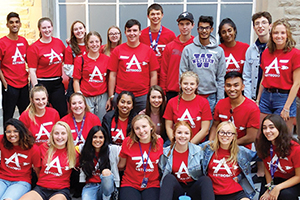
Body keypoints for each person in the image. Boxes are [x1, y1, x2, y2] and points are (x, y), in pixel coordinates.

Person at [256, 19, 300, 133]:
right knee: (262, 134)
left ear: (287, 35)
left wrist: (287, 107)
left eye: (282, 33)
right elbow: (264, 78)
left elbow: (297, 83)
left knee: (283, 137)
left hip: (284, 98)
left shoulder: (295, 54)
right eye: (275, 33)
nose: (279, 36)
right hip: (266, 96)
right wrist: (258, 100)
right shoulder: (266, 53)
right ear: (271, 35)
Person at [107, 19, 159, 114]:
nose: (132, 33)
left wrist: (151, 94)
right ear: (125, 33)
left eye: (135, 30)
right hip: (122, 95)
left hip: (142, 96)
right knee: (122, 124)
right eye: (129, 31)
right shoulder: (117, 51)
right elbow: (112, 74)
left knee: (142, 124)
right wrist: (111, 96)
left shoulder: (148, 51)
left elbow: (153, 75)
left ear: (140, 33)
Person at [180, 15, 226, 113]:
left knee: (209, 126)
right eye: (201, 28)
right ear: (197, 29)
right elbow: (182, 74)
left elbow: (221, 77)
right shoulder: (188, 50)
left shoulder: (219, 51)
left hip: (211, 97)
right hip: (192, 95)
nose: (204, 31)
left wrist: (220, 100)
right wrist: (182, 96)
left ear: (211, 29)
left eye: (207, 28)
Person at [19, 121, 76, 200]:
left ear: (68, 135)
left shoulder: (73, 152)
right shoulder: (43, 148)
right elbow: (36, 168)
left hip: (60, 190)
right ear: (52, 135)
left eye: (63, 133)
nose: (59, 137)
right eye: (56, 133)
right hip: (41, 188)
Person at [159, 121, 215, 200]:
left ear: (190, 135)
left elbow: (204, 170)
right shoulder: (166, 153)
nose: (182, 136)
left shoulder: (198, 151)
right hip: (177, 187)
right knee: (168, 178)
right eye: (179, 133)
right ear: (174, 134)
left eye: (186, 133)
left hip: (193, 187)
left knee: (205, 180)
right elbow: (161, 171)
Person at [202, 121, 257, 200]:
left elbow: (261, 156)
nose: (225, 135)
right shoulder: (208, 148)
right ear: (217, 134)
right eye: (222, 132)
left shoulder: (241, 151)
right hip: (213, 193)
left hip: (235, 191)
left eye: (229, 133)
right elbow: (191, 149)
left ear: (234, 136)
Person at [27, 17, 67, 118]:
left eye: (49, 27)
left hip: (57, 83)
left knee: (62, 111)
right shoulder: (34, 47)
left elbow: (66, 60)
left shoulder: (58, 43)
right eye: (44, 28)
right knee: (42, 111)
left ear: (52, 27)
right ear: (39, 29)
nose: (47, 30)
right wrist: (36, 88)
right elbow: (32, 70)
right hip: (42, 83)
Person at [209, 71, 260, 149]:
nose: (232, 89)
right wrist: (211, 142)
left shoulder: (252, 108)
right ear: (224, 87)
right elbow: (215, 126)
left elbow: (251, 137)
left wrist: (229, 144)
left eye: (236, 85)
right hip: (221, 146)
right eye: (228, 85)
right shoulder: (220, 104)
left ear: (242, 87)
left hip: (241, 148)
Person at [118, 114, 163, 200]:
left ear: (151, 127)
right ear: (134, 131)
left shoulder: (159, 142)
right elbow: (121, 166)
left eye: (144, 126)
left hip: (152, 184)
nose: (141, 131)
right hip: (130, 183)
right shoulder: (127, 142)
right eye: (137, 128)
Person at [257, 114, 300, 200]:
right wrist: (269, 188)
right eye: (264, 128)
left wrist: (277, 188)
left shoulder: (295, 149)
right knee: (264, 198)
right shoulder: (264, 145)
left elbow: (298, 176)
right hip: (275, 178)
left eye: (271, 127)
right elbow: (267, 168)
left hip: (294, 180)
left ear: (280, 128)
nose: (267, 131)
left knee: (284, 195)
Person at [163, 71, 212, 144]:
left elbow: (205, 130)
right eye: (185, 83)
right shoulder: (172, 102)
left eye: (192, 84)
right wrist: (176, 142)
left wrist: (189, 145)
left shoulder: (204, 102)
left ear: (196, 85)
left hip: (197, 144)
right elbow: (168, 127)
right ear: (180, 84)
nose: (188, 87)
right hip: (176, 143)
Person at [0, 12, 29, 126]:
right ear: (7, 25)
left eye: (16, 22)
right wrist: (4, 83)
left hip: (23, 84)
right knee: (8, 116)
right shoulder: (2, 42)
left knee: (25, 115)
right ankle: (7, 142)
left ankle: (25, 139)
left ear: (20, 24)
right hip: (10, 85)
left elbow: (30, 61)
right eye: (11, 22)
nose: (14, 24)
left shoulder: (23, 41)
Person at [73, 31, 110, 121]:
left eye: (97, 42)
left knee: (101, 122)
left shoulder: (107, 59)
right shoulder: (80, 60)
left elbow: (109, 79)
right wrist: (79, 98)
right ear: (87, 44)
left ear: (100, 43)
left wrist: (109, 98)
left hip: (102, 97)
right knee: (87, 121)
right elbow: (76, 80)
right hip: (86, 96)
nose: (94, 44)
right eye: (91, 42)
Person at [0, 119, 40, 200]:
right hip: (2, 179)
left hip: (21, 181)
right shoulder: (2, 141)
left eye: (15, 131)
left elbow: (37, 169)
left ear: (21, 132)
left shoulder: (33, 148)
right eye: (8, 132)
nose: (12, 134)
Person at [79, 126, 121, 200]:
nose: (98, 140)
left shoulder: (112, 149)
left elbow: (127, 149)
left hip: (107, 186)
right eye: (95, 137)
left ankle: (107, 198)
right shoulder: (83, 149)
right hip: (90, 186)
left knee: (106, 172)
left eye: (101, 137)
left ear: (105, 139)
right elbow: (70, 149)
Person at [160, 11, 195, 101]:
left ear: (192, 25)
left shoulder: (197, 46)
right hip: (172, 91)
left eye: (187, 24)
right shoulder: (170, 46)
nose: (184, 27)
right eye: (181, 24)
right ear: (178, 25)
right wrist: (163, 92)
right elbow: (164, 71)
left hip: (191, 90)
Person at [243, 12, 272, 101]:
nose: (260, 26)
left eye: (264, 23)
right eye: (257, 23)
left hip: (270, 97)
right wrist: (248, 99)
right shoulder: (250, 50)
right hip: (253, 97)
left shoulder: (275, 48)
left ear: (270, 26)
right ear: (254, 28)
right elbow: (246, 76)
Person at [140, 3, 176, 69]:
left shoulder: (170, 35)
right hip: (146, 71)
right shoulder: (141, 34)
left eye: (158, 14)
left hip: (164, 72)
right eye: (152, 14)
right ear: (148, 16)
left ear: (162, 15)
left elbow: (173, 57)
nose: (155, 17)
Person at [64, 20, 87, 101]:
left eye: (81, 28)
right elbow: (68, 69)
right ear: (73, 32)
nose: (79, 31)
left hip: (91, 81)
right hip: (76, 83)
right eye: (76, 29)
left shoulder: (92, 45)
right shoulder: (70, 49)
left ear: (85, 29)